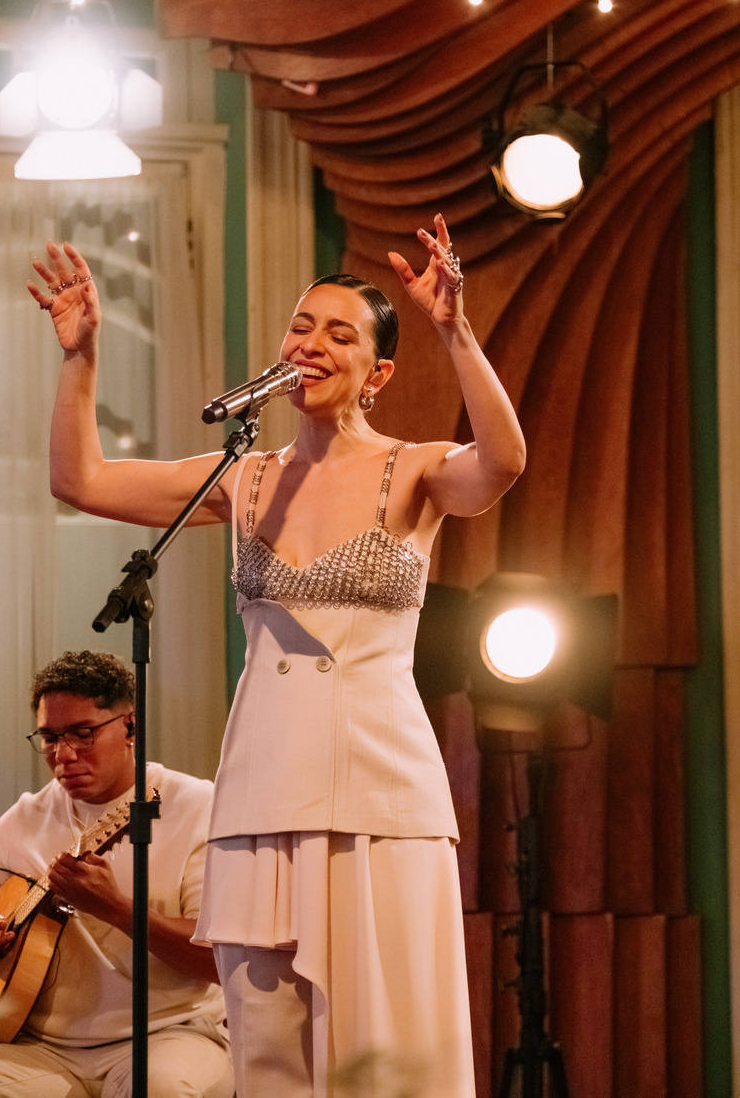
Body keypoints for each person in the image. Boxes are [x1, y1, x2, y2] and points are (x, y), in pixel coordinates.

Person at [27, 214, 526, 1097]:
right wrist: (80, 358)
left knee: (388, 1051)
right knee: (270, 1051)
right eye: (302, 326)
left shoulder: (413, 469)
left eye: (341, 333)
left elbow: (505, 462)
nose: (313, 343)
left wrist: (455, 330)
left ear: (377, 373)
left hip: (377, 793)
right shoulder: (244, 476)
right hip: (262, 787)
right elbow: (83, 481)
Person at [0, 650, 233, 1098]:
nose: (63, 754)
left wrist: (117, 909)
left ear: (131, 727)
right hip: (39, 1048)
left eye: (83, 733)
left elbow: (219, 960)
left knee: (160, 1089)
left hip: (170, 1034)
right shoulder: (24, 818)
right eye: (49, 737)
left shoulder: (196, 806)